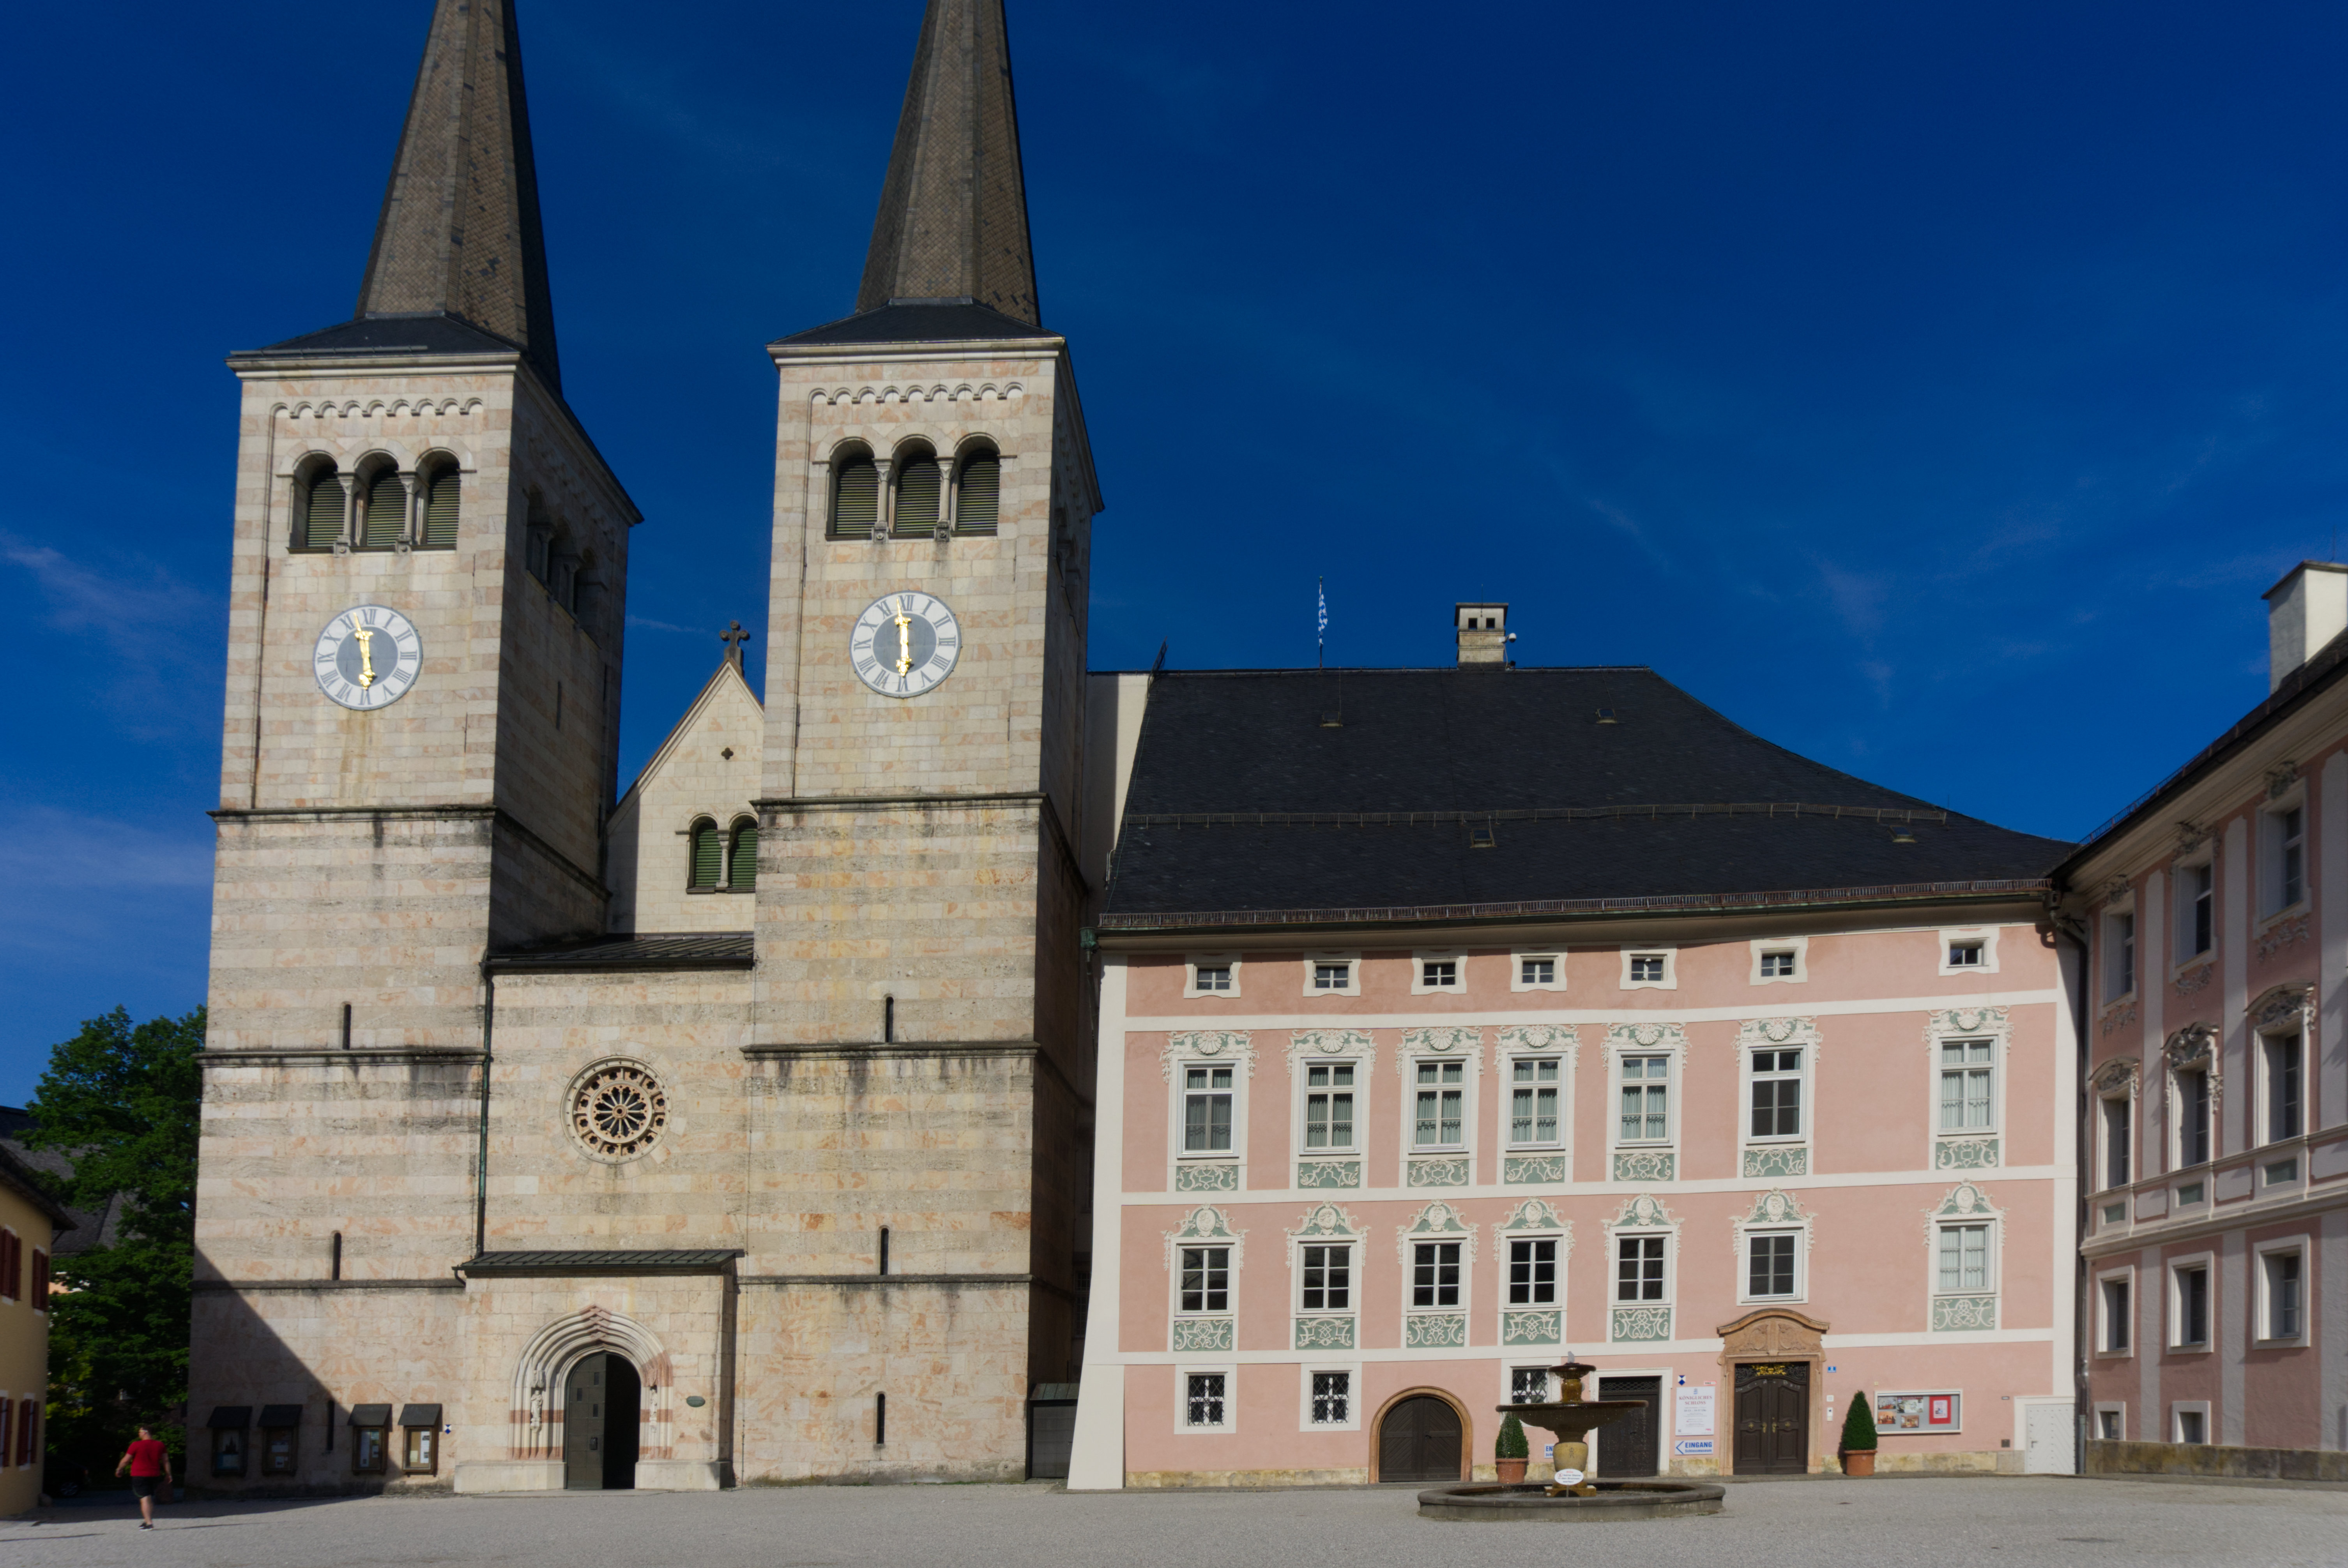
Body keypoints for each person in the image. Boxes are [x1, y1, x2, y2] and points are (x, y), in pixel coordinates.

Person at [115, 1426, 172, 1529]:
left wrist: (119, 1469)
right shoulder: (160, 1445)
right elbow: (166, 1461)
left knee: (144, 1499)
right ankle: (146, 1520)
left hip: (139, 1475)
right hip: (154, 1475)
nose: (139, 1434)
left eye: (140, 1432)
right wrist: (168, 1474)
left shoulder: (136, 1445)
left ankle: (149, 1523)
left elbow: (126, 1460)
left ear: (145, 1432)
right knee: (149, 1497)